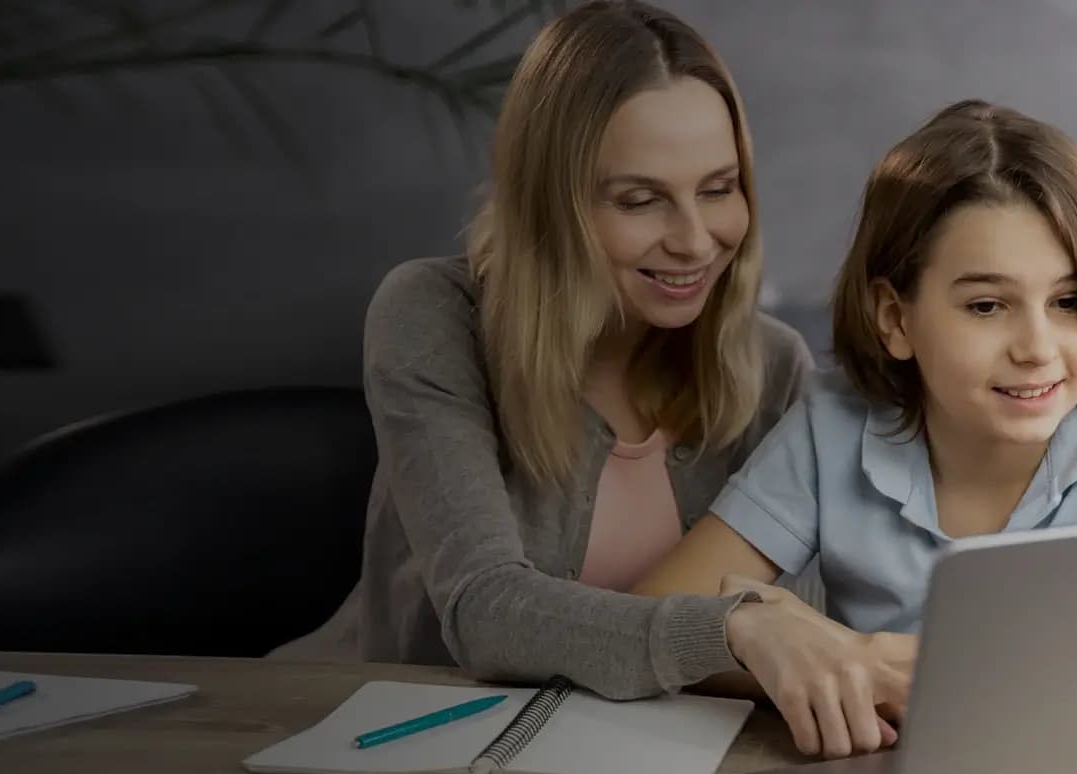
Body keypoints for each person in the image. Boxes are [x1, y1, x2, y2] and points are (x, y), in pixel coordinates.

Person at [335, 1, 907, 723]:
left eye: (719, 189)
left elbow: (788, 632)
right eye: (641, 201)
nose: (696, 241)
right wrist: (729, 628)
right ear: (552, 205)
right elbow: (484, 609)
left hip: (649, 761)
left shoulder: (771, 366)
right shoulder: (431, 316)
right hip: (405, 740)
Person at [637, 99, 1077, 757]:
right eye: (987, 306)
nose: (1037, 347)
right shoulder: (835, 425)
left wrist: (856, 658)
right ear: (895, 318)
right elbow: (651, 618)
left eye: (1068, 301)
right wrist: (771, 640)